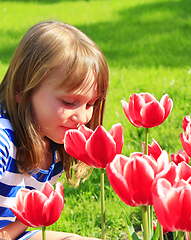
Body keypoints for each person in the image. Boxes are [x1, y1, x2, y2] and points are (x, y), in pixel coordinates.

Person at [0, 21, 109, 240]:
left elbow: (24, 219)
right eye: (69, 102)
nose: (83, 118)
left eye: (90, 105)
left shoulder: (56, 150)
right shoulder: (3, 141)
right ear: (21, 89)